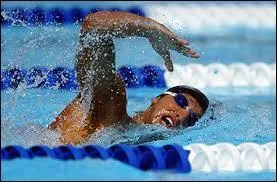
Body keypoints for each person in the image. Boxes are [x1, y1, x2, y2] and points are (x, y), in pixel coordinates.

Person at [48, 11, 209, 145]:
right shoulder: (112, 102)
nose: (183, 115)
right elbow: (93, 26)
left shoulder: (131, 137)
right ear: (157, 98)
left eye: (192, 119)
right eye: (181, 101)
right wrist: (149, 29)